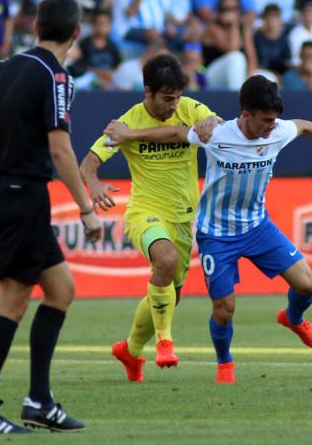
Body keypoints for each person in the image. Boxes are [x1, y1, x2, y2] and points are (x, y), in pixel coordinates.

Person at [0, 0, 99, 434]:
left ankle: (39, 401)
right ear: (76, 34)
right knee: (13, 301)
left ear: (36, 25)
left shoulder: (3, 67)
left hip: (3, 190)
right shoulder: (57, 78)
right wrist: (86, 207)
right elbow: (59, 148)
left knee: (61, 289)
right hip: (23, 197)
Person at [187, 75, 312, 383]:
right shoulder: (216, 134)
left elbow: (305, 126)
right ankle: (225, 362)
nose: (273, 125)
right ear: (246, 115)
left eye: (275, 119)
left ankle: (293, 317)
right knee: (224, 309)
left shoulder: (278, 130)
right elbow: (174, 133)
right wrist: (129, 135)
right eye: (266, 120)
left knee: (307, 286)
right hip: (217, 234)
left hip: (258, 227)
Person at [81, 54, 220, 380]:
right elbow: (87, 164)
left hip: (184, 218)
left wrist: (210, 123)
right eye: (167, 98)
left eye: (177, 97)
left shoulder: (190, 108)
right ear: (148, 92)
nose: (174, 105)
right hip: (145, 212)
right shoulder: (127, 121)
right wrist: (93, 183)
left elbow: (212, 124)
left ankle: (129, 351)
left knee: (170, 290)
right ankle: (164, 343)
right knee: (165, 259)